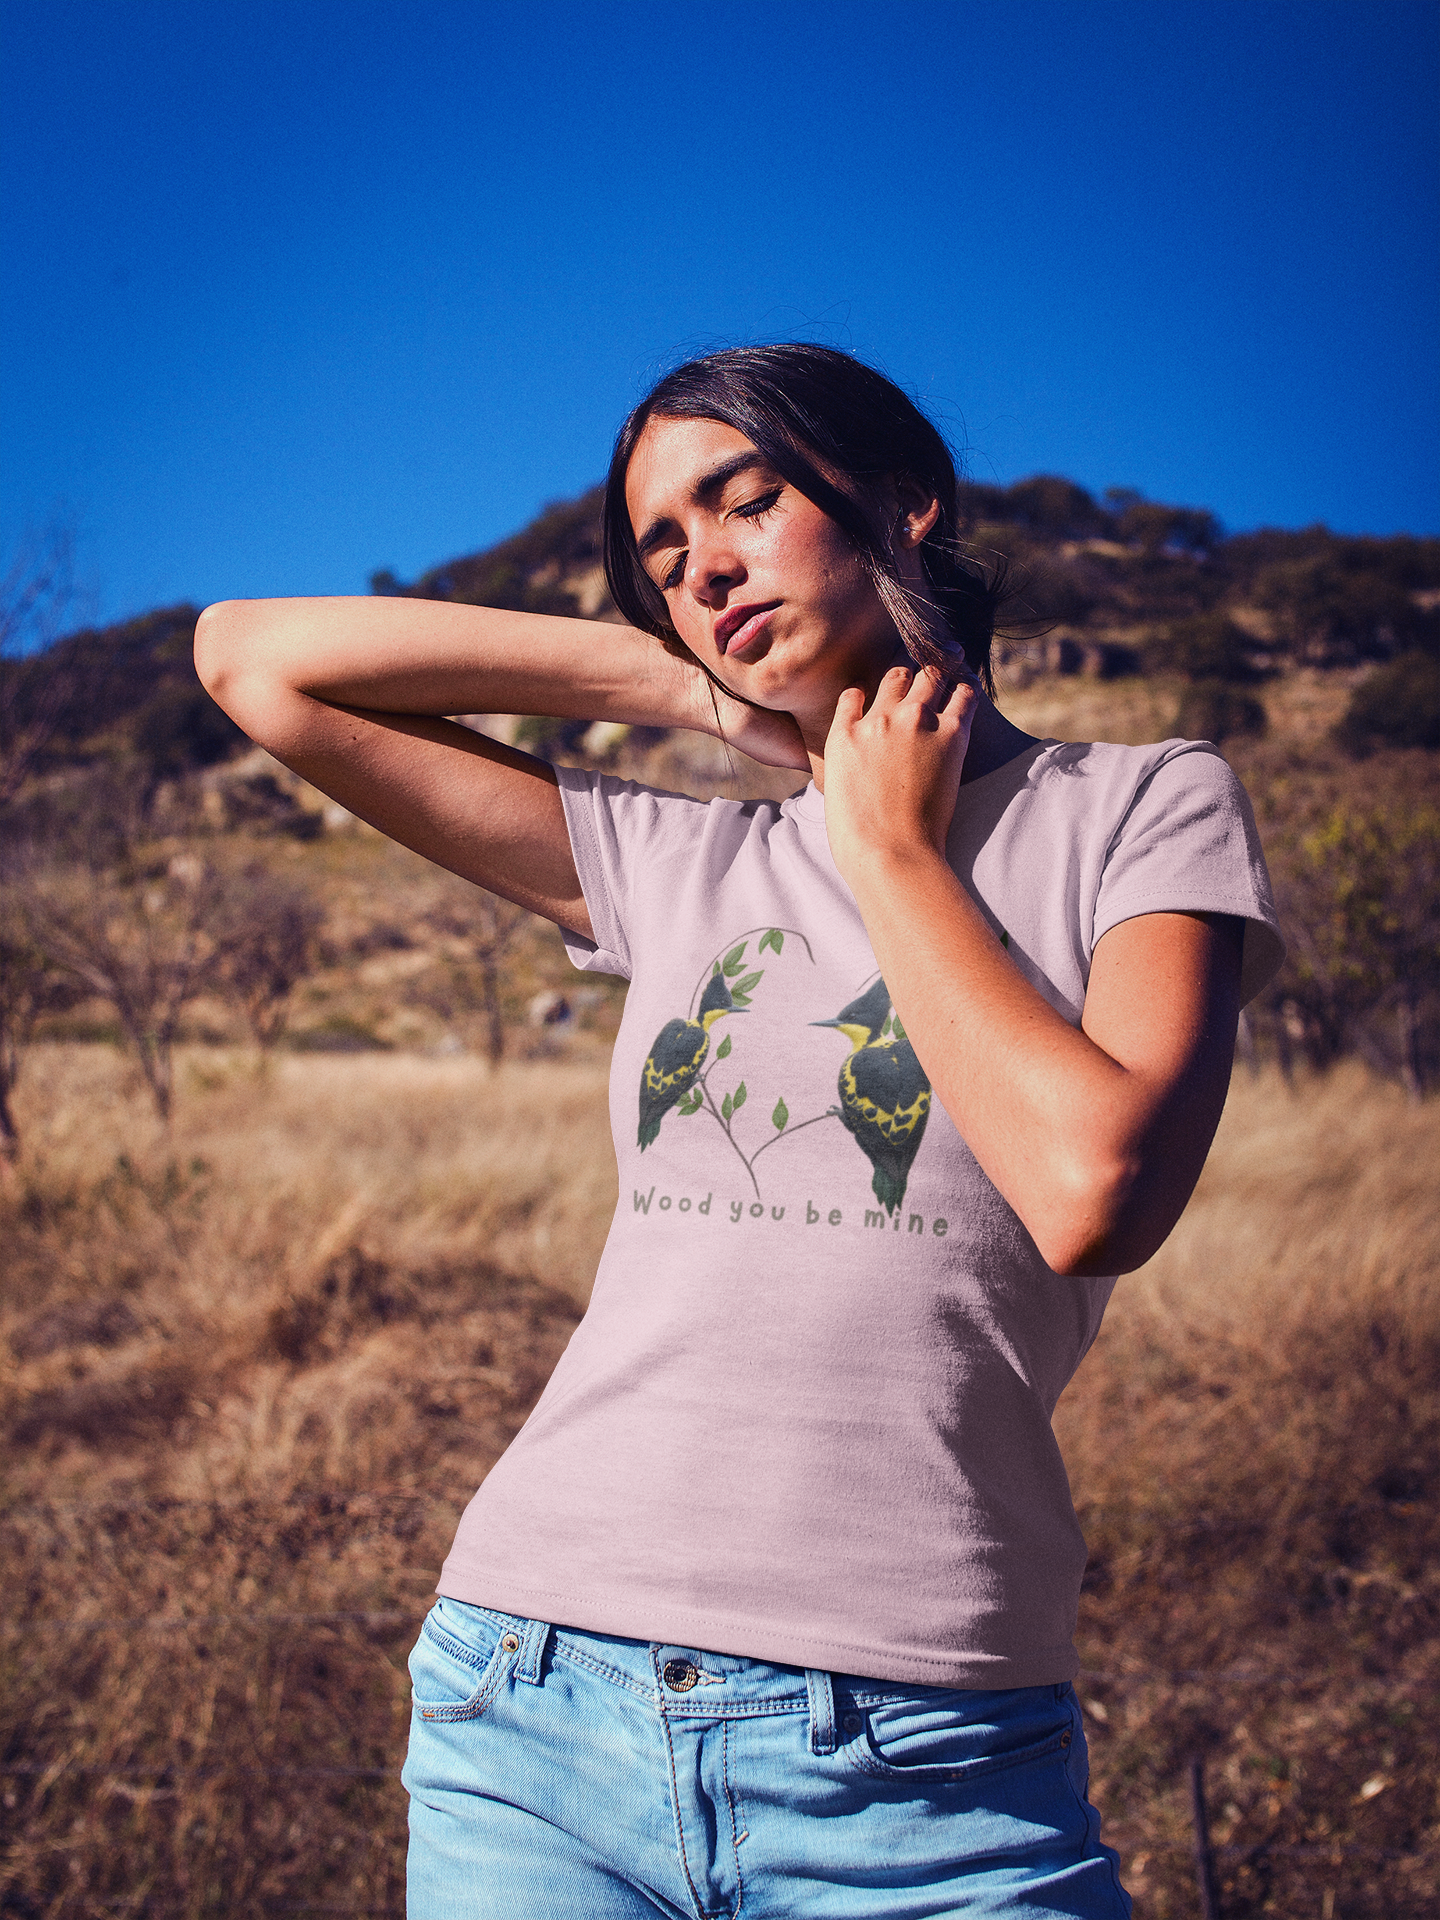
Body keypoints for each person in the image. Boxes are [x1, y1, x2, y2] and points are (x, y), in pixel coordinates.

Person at [195, 343, 1284, 1918]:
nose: (704, 563)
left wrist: (891, 849)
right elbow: (252, 661)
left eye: (745, 502)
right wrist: (685, 686)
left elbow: (1095, 1190)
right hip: (536, 1702)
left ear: (906, 501)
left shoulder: (1138, 808)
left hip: (922, 1760)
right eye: (662, 552)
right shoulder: (680, 859)